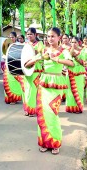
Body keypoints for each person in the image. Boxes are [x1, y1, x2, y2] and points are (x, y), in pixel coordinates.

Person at [25, 27, 74, 155]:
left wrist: (56, 59)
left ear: (59, 37)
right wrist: (37, 58)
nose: (50, 39)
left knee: (52, 113)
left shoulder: (64, 51)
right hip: (44, 84)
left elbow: (71, 63)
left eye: (53, 36)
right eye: (48, 36)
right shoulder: (44, 50)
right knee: (43, 112)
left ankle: (55, 142)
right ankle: (44, 142)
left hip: (57, 85)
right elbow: (26, 64)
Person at [23, 27, 44, 116]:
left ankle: (32, 110)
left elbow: (40, 54)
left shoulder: (39, 43)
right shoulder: (25, 43)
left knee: (33, 89)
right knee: (26, 89)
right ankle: (27, 109)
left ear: (35, 35)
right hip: (26, 69)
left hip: (36, 69)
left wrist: (30, 50)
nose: (29, 36)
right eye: (27, 34)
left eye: (31, 34)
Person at [65, 37, 86, 113]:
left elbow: (83, 63)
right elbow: (67, 60)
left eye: (75, 42)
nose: (73, 44)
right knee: (69, 90)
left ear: (78, 42)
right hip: (70, 71)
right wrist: (71, 52)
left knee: (79, 89)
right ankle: (70, 107)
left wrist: (76, 57)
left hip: (79, 72)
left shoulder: (82, 51)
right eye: (72, 42)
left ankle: (78, 107)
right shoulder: (68, 50)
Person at [3, 32, 23, 104]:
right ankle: (8, 98)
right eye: (10, 37)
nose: (11, 38)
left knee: (14, 83)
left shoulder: (18, 45)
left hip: (15, 66)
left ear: (15, 38)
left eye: (12, 37)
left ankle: (14, 99)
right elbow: (4, 55)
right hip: (7, 66)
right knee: (7, 82)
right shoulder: (6, 45)